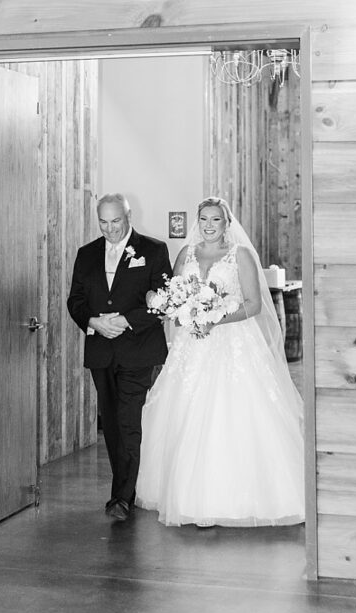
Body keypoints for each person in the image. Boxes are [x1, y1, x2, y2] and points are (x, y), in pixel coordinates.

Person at [135, 197, 304, 527]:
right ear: (198, 221)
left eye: (216, 219)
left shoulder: (239, 255)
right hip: (191, 347)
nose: (210, 225)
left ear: (228, 223)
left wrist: (215, 319)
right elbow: (175, 293)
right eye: (204, 219)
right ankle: (186, 497)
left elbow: (254, 304)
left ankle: (233, 498)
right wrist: (180, 310)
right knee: (183, 412)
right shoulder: (186, 254)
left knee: (230, 413)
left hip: (231, 342)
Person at [67, 193, 173, 522]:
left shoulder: (154, 250)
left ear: (128, 217)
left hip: (138, 349)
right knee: (111, 423)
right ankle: (124, 487)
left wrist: (126, 321)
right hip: (101, 350)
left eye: (116, 221)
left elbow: (164, 300)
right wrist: (93, 322)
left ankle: (122, 496)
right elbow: (76, 300)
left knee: (129, 422)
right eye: (104, 222)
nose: (110, 229)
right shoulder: (86, 254)